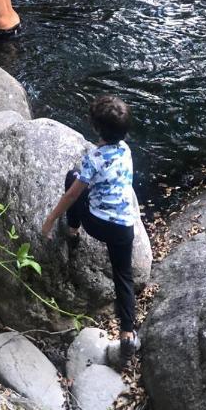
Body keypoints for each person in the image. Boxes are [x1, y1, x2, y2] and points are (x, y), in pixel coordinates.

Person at [41, 95, 140, 367]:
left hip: (97, 224)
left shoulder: (94, 158)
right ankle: (127, 334)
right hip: (124, 228)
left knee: (73, 179)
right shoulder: (126, 152)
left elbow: (72, 195)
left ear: (96, 129)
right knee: (124, 277)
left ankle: (72, 233)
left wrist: (50, 221)